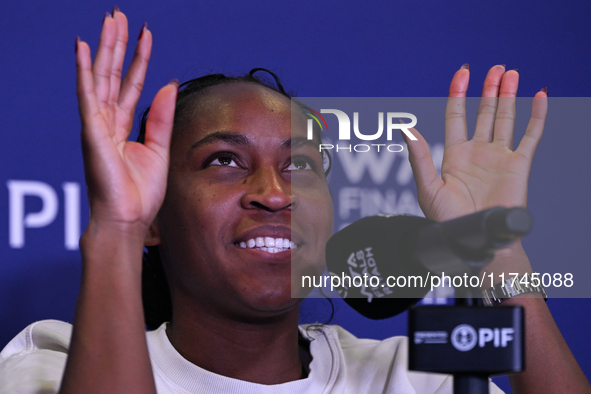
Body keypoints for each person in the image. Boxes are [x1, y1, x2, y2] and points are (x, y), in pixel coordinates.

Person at [1, 8, 590, 394]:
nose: (275, 193)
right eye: (223, 161)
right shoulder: (52, 367)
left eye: (300, 165)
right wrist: (117, 230)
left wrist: (498, 251)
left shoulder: (409, 377)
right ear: (156, 214)